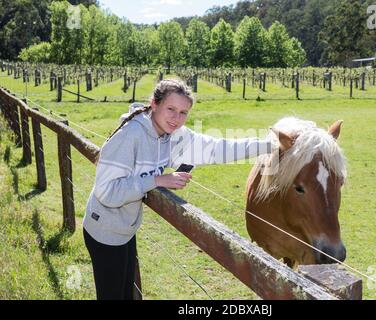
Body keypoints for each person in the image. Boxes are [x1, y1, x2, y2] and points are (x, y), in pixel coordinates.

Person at [82, 79, 273, 300]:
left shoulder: (171, 135)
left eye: (183, 112)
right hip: (104, 230)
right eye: (170, 109)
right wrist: (157, 180)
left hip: (125, 228)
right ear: (154, 104)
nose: (176, 118)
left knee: (126, 294)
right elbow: (107, 193)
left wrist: (268, 145)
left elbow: (217, 148)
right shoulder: (130, 136)